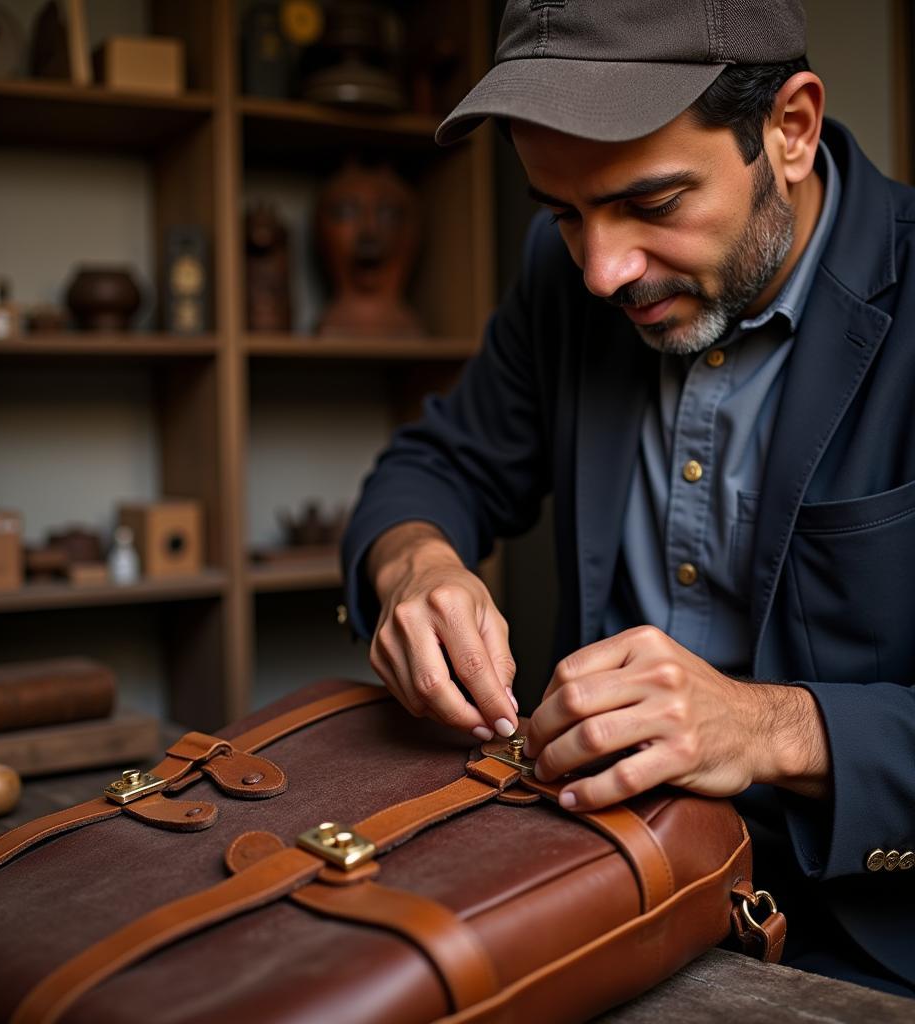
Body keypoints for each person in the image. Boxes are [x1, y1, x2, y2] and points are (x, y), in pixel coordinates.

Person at [340, 0, 915, 999]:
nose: (602, 271)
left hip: (865, 944)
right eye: (562, 212)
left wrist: (768, 727)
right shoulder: (563, 281)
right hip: (598, 883)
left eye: (652, 204)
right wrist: (415, 563)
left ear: (789, 129)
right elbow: (437, 466)